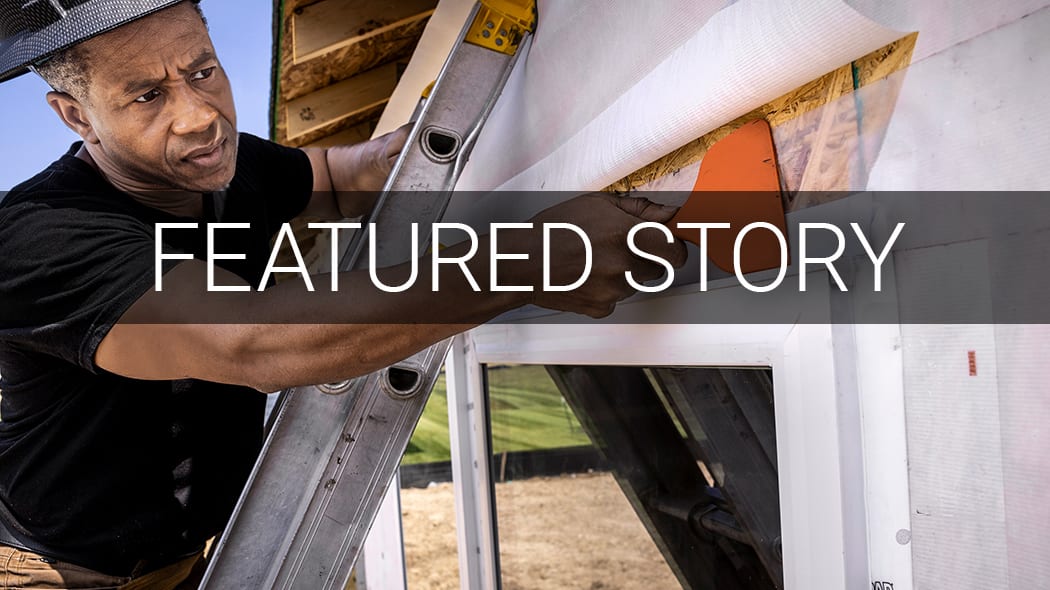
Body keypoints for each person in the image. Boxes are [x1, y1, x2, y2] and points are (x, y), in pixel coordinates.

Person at [0, 1, 685, 587]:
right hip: (57, 574)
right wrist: (521, 264)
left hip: (194, 555)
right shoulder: (41, 234)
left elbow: (331, 177)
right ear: (76, 116)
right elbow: (252, 340)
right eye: (148, 96)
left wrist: (433, 143)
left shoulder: (228, 166)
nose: (198, 117)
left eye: (202, 71)